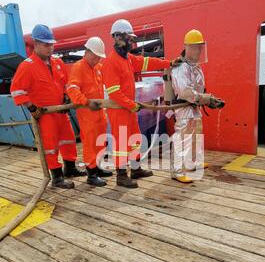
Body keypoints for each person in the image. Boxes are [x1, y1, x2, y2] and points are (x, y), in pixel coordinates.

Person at [102, 19, 181, 189]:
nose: (132, 42)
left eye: (132, 39)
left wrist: (169, 63)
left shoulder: (128, 59)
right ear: (117, 37)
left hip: (129, 109)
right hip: (119, 110)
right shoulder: (111, 62)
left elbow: (148, 62)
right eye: (129, 38)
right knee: (122, 143)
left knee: (135, 138)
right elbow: (114, 92)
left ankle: (136, 169)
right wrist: (131, 105)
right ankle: (121, 176)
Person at [11, 24, 85, 189]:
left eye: (52, 44)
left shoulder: (58, 63)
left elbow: (66, 84)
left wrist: (66, 100)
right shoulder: (27, 66)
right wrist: (32, 109)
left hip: (60, 111)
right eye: (46, 45)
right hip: (44, 114)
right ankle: (57, 177)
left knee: (68, 139)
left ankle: (70, 168)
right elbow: (16, 91)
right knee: (50, 146)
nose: (50, 48)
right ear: (35, 44)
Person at [171, 29, 224, 183]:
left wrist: (208, 99)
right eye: (196, 47)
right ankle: (177, 170)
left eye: (201, 47)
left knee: (195, 135)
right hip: (184, 107)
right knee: (183, 137)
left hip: (195, 107)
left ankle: (191, 163)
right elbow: (185, 91)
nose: (199, 50)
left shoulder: (195, 66)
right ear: (188, 47)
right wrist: (206, 99)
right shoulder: (181, 67)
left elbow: (199, 88)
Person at [67, 37, 113, 187]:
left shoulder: (97, 68)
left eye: (99, 57)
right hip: (87, 113)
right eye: (96, 57)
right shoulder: (78, 67)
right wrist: (86, 102)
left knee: (100, 141)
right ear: (87, 52)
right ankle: (91, 174)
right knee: (90, 143)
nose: (97, 59)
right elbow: (72, 90)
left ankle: (98, 168)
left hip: (100, 112)